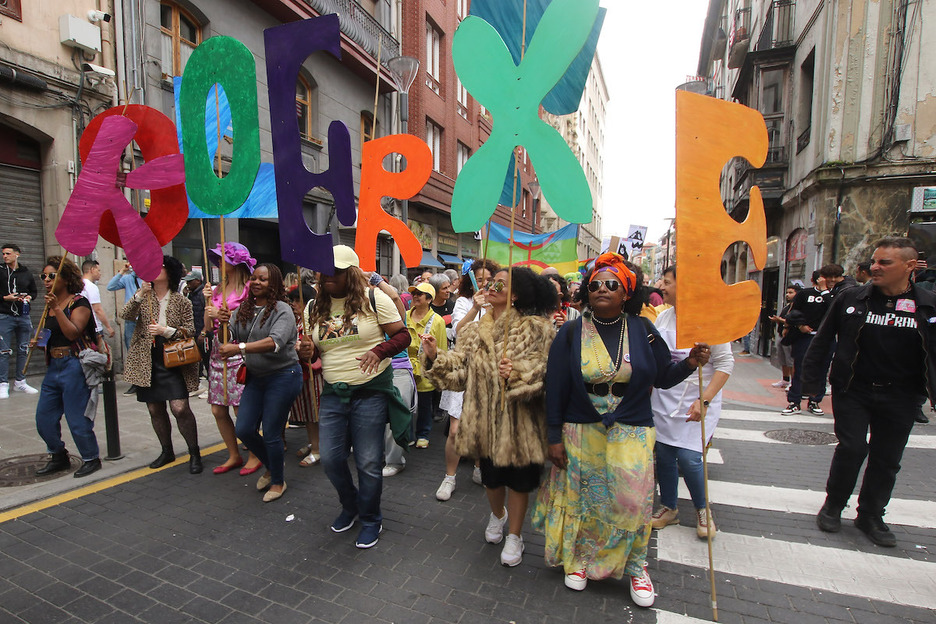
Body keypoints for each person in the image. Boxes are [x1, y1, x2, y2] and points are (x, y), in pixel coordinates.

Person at [531, 252, 709, 607]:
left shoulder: (643, 330)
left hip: (633, 428)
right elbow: (556, 386)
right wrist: (553, 437)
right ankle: (581, 560)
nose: (602, 289)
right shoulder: (571, 332)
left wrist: (690, 362)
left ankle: (636, 566)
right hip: (582, 429)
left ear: (626, 292)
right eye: (595, 284)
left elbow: (663, 376)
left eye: (612, 284)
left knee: (631, 502)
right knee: (586, 500)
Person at [421, 266, 557, 567]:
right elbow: (460, 373)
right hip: (483, 421)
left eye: (500, 284)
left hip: (520, 422)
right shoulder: (473, 331)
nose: (492, 287)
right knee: (492, 480)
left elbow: (545, 370)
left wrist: (518, 373)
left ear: (516, 294)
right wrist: (435, 356)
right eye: (491, 282)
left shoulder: (537, 328)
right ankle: (498, 515)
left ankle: (516, 535)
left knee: (519, 482)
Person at [807, 237, 936, 548]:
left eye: (884, 262)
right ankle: (833, 505)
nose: (874, 267)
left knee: (887, 457)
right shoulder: (851, 298)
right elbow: (822, 341)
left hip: (902, 395)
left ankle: (871, 514)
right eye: (874, 261)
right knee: (852, 448)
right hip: (854, 389)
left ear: (909, 265)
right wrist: (811, 385)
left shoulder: (928, 304)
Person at [302, 245, 411, 549]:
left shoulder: (374, 299)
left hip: (370, 392)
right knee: (331, 459)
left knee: (368, 462)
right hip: (333, 393)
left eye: (335, 272)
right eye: (324, 272)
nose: (327, 277)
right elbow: (314, 354)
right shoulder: (312, 307)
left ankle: (371, 518)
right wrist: (306, 352)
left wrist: (380, 351)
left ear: (350, 273)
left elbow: (403, 335)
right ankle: (351, 506)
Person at [650, 266, 733, 539]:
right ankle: (669, 507)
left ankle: (702, 509)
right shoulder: (663, 318)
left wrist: (704, 400)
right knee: (664, 454)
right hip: (664, 399)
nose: (661, 287)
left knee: (689, 458)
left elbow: (725, 365)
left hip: (698, 399)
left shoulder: (711, 320)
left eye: (667, 282)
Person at [218, 264, 302, 503]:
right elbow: (228, 337)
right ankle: (273, 465)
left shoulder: (282, 310)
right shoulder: (243, 308)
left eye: (262, 279)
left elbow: (275, 342)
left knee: (272, 432)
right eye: (254, 278)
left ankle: (277, 481)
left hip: (284, 375)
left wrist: (239, 348)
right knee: (244, 429)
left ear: (273, 283)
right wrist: (222, 323)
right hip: (256, 377)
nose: (256, 282)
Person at [122, 256, 202, 474]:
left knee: (180, 408)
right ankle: (167, 451)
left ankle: (194, 452)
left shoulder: (181, 300)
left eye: (161, 266)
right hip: (147, 360)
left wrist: (166, 331)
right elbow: (126, 315)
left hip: (174, 359)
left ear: (171, 272)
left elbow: (190, 330)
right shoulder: (144, 297)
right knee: (154, 408)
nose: (155, 269)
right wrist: (139, 294)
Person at [32, 256, 102, 478]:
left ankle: (91, 458)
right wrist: (39, 343)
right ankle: (58, 455)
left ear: (65, 277)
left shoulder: (79, 303)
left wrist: (57, 308)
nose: (46, 280)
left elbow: (72, 333)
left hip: (74, 365)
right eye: (43, 276)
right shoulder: (49, 306)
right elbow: (52, 335)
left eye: (51, 276)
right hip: (53, 366)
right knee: (44, 418)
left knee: (77, 418)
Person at [435, 259, 500, 497]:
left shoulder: (500, 303)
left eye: (489, 280)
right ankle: (449, 477)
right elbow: (458, 331)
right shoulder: (463, 302)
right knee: (455, 430)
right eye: (479, 279)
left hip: (489, 371)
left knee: (482, 426)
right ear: (470, 282)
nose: (484, 284)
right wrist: (475, 308)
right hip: (463, 369)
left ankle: (479, 467)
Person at [202, 242, 261, 475]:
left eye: (222, 258)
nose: (218, 261)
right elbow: (208, 327)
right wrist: (208, 306)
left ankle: (255, 454)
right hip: (218, 350)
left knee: (241, 409)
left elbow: (252, 320)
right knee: (218, 409)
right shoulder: (217, 289)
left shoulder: (249, 288)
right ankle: (233, 454)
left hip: (239, 349)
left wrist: (223, 315)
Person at [405, 282, 448, 448]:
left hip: (425, 367)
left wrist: (439, 370)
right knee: (404, 401)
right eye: (414, 293)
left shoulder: (437, 321)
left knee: (424, 403)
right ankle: (407, 434)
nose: (415, 296)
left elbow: (442, 348)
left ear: (429, 299)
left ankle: (423, 434)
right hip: (405, 366)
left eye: (420, 294)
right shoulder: (404, 316)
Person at [782, 270, 828, 415]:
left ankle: (815, 400)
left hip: (825, 338)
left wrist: (825, 291)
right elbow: (793, 313)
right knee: (800, 369)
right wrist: (800, 325)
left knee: (821, 370)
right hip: (804, 337)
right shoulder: (805, 294)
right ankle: (794, 401)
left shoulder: (833, 295)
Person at [288, 284, 322, 467]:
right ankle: (313, 443)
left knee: (314, 412)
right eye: (292, 300)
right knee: (307, 412)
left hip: (314, 372)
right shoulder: (297, 321)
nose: (294, 304)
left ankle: (317, 448)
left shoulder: (315, 321)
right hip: (300, 371)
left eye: (297, 300)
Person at [1, 243, 38, 398]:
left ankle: (20, 381)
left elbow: (34, 291)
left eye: (8, 253)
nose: (5, 256)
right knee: (3, 351)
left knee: (23, 349)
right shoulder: (1, 271)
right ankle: (3, 384)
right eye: (3, 254)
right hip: (4, 315)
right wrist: (5, 298)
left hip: (23, 315)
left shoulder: (26, 272)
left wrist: (29, 297)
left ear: (17, 254)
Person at [106, 260, 140, 368]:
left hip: (146, 318)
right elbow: (110, 286)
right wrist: (122, 272)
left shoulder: (149, 279)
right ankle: (135, 374)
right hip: (131, 319)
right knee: (131, 349)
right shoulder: (128, 278)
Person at [768, 285, 800, 389]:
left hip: (790, 336)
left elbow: (793, 321)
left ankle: (793, 382)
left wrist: (781, 320)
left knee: (790, 360)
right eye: (787, 292)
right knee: (783, 359)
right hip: (781, 334)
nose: (787, 295)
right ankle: (785, 379)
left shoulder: (797, 307)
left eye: (791, 293)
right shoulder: (787, 306)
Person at [182, 269, 207, 386]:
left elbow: (207, 314)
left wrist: (204, 332)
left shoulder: (203, 294)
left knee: (206, 358)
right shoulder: (191, 294)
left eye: (190, 282)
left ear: (197, 281)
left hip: (203, 332)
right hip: (194, 331)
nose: (188, 284)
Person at [81, 260, 115, 339]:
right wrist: (108, 327)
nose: (100, 273)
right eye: (98, 270)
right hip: (94, 327)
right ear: (92, 270)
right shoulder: (91, 287)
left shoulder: (78, 285)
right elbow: (97, 309)